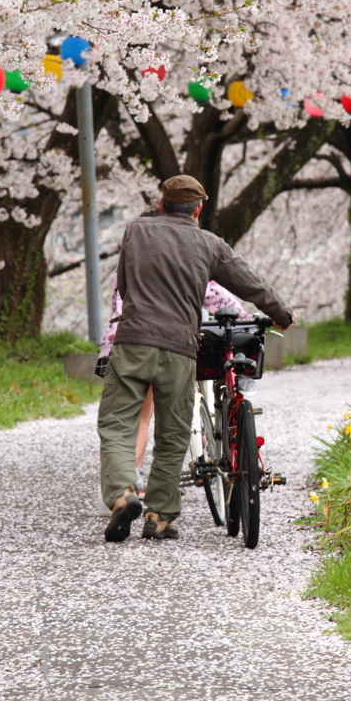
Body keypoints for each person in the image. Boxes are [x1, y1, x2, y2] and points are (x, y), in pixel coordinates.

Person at [98, 174, 293, 543]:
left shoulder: (135, 231)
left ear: (161, 204)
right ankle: (158, 515)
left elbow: (123, 284)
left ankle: (123, 493)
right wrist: (282, 314)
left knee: (117, 424)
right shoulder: (209, 243)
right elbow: (249, 282)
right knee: (173, 435)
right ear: (199, 209)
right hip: (179, 348)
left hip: (133, 341)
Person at [97, 269, 252, 496]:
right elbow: (216, 296)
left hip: (115, 342)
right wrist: (245, 320)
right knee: (142, 420)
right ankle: (135, 483)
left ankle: (113, 491)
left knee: (118, 422)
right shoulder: (178, 259)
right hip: (148, 341)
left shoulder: (128, 260)